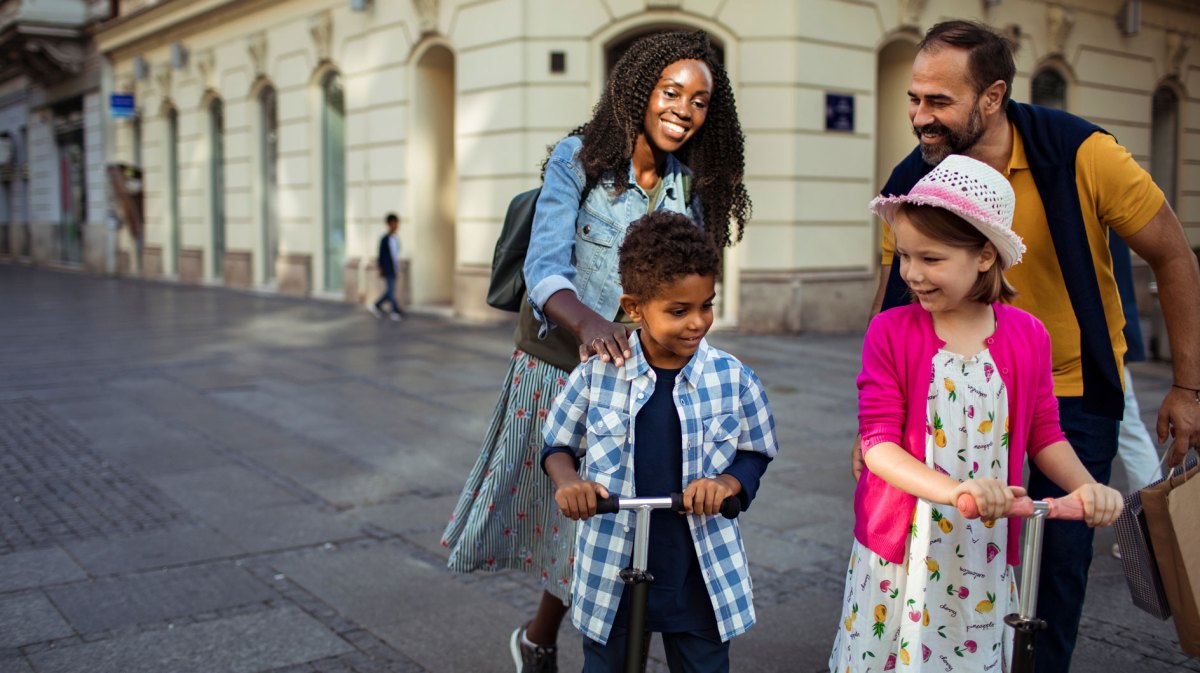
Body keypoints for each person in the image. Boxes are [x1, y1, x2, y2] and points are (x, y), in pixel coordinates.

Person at [854, 20, 1200, 670]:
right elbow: (891, 296)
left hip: (1066, 391)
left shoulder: (1080, 152)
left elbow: (1172, 253)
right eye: (913, 98)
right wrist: (871, 419)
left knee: (1055, 571)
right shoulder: (915, 176)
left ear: (992, 97)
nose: (919, 117)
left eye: (938, 101)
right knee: (954, 551)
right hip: (948, 395)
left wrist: (1188, 385)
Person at [439, 30, 750, 673]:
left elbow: (676, 285)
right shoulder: (576, 159)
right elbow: (544, 267)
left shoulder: (685, 187)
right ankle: (552, 642)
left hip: (632, 381)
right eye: (671, 92)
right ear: (640, 90)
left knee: (607, 525)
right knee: (573, 521)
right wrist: (588, 325)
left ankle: (551, 641)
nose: (684, 110)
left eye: (699, 101)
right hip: (559, 368)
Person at [831, 154, 1124, 672]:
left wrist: (1085, 487)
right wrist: (956, 491)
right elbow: (878, 445)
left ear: (985, 256)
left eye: (932, 259)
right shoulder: (890, 332)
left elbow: (1044, 434)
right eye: (905, 257)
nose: (912, 274)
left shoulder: (1028, 335)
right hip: (902, 552)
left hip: (981, 550)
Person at [542, 212, 776, 673]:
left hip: (697, 566)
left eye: (706, 305)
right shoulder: (596, 375)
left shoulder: (733, 378)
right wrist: (569, 482)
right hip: (613, 563)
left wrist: (728, 484)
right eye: (678, 310)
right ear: (634, 307)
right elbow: (557, 445)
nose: (697, 322)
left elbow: (755, 450)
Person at [368, 213, 405, 320]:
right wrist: (381, 268)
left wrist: (397, 267)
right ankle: (394, 310)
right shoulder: (384, 240)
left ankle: (376, 305)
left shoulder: (396, 239)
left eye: (397, 223)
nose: (396, 226)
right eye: (394, 223)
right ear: (389, 224)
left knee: (390, 290)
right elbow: (381, 256)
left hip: (394, 268)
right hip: (388, 269)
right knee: (391, 290)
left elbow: (395, 255)